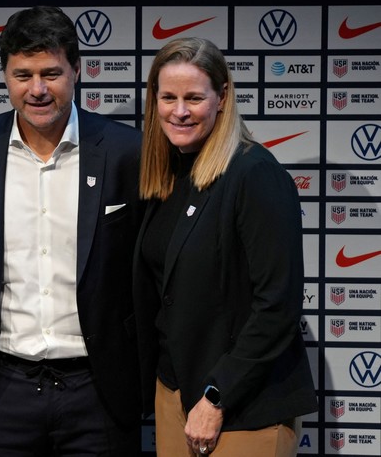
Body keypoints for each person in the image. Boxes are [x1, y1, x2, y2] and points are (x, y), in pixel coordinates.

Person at [0, 5, 143, 455]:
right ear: (5, 76)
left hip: (99, 390)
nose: (37, 90)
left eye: (51, 73)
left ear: (77, 70)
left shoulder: (127, 151)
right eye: (22, 75)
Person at [134, 37, 317, 456]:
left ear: (222, 97)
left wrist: (217, 396)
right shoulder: (169, 173)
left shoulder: (254, 174)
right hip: (175, 394)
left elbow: (278, 305)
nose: (179, 111)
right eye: (169, 97)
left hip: (241, 407)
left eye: (194, 97)